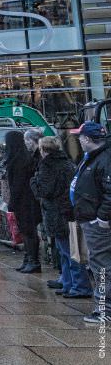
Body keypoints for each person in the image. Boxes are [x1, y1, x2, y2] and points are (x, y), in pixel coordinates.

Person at [30, 136, 92, 298]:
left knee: (69, 252)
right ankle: (68, 282)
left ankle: (79, 285)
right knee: (67, 250)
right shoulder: (67, 162)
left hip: (57, 213)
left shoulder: (48, 166)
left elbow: (44, 190)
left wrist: (33, 181)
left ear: (43, 150)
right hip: (67, 211)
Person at [69, 122, 111, 324]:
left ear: (87, 139)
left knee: (101, 265)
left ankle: (105, 309)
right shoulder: (96, 157)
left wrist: (102, 218)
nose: (78, 140)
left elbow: (109, 192)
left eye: (80, 137)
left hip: (98, 223)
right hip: (93, 220)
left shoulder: (102, 159)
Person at [5, 131, 41, 273]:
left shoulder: (20, 160)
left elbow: (18, 184)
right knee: (25, 231)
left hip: (26, 201)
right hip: (25, 200)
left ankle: (33, 260)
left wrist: (12, 202)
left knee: (28, 231)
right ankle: (28, 258)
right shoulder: (21, 157)